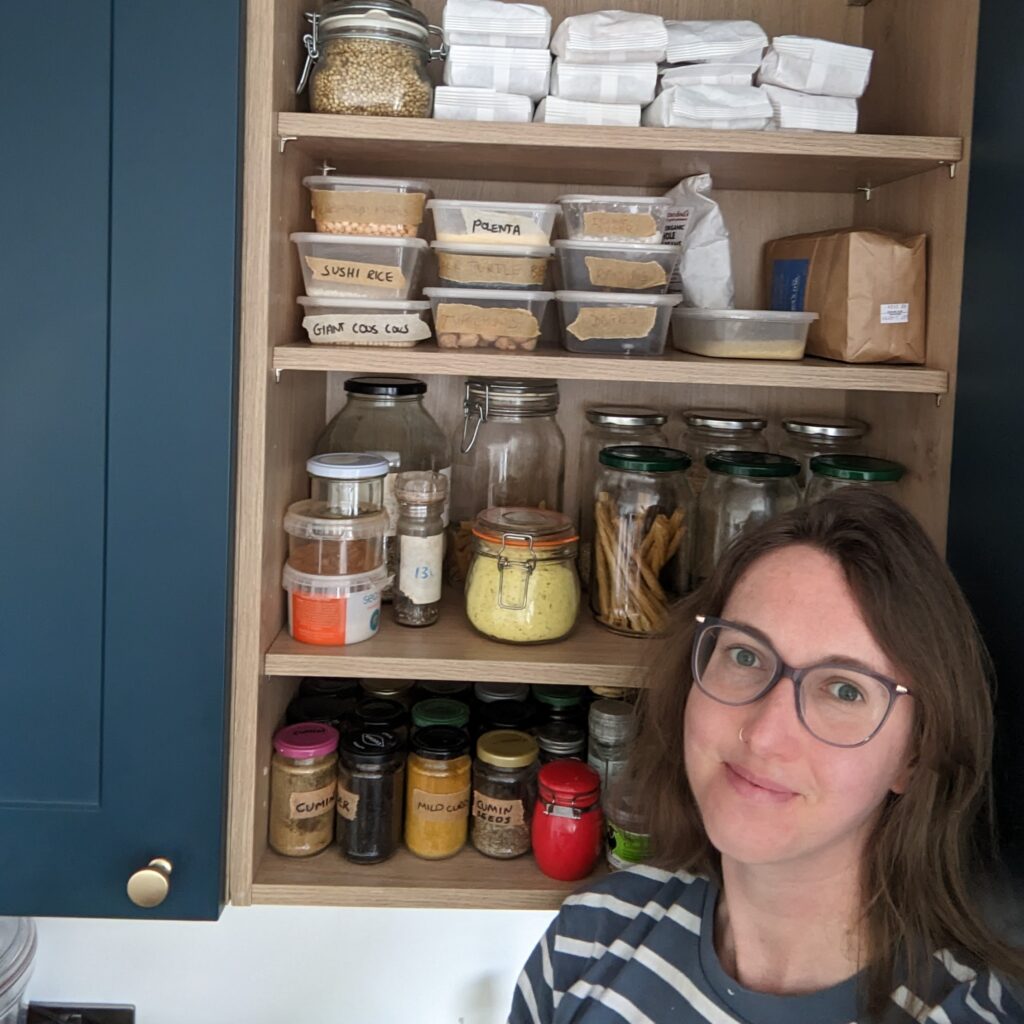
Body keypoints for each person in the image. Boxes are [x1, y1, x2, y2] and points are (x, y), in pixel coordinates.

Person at [510, 489, 1024, 1023]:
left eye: (844, 690)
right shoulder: (585, 944)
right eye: (745, 654)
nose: (763, 734)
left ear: (913, 757)